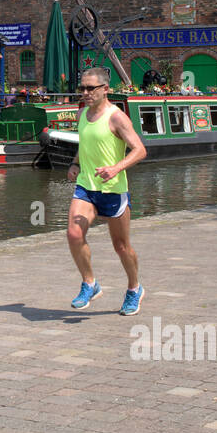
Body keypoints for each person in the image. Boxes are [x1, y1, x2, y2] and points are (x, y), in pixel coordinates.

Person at [65, 67, 148, 315]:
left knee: (121, 246)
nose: (86, 93)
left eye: (91, 88)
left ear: (105, 89)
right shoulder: (82, 114)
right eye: (82, 88)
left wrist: (115, 168)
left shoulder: (117, 117)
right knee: (73, 234)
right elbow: (85, 143)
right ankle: (90, 283)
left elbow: (140, 150)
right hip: (86, 187)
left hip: (113, 190)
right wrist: (75, 163)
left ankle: (134, 288)